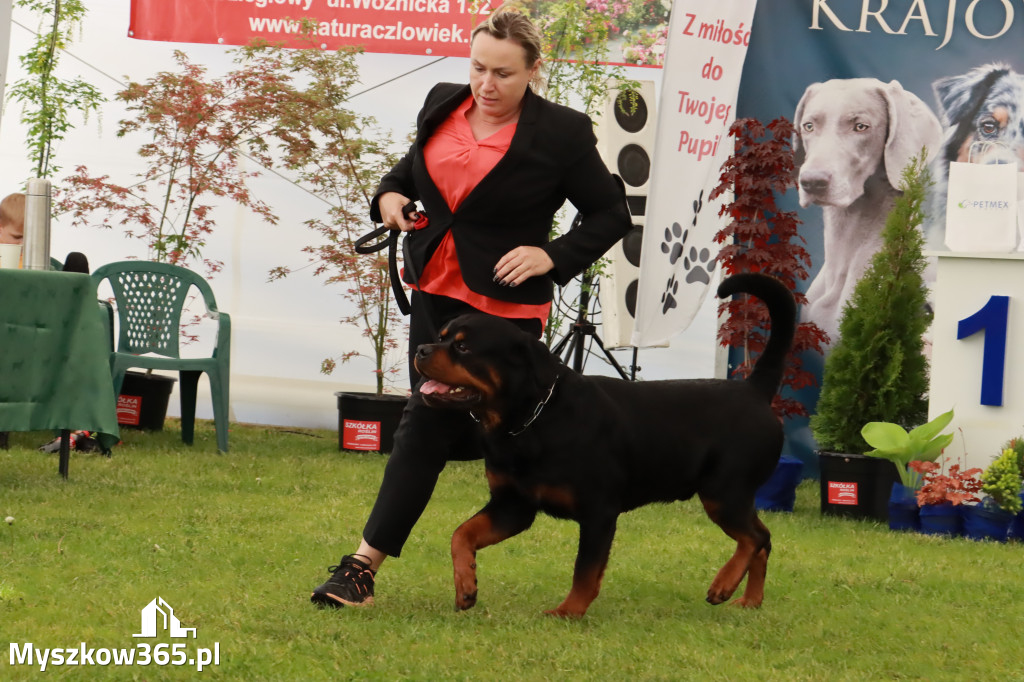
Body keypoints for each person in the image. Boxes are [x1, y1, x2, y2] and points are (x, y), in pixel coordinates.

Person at [310, 4, 632, 608]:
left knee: (452, 427)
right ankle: (365, 565)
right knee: (425, 421)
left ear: (534, 69)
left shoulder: (561, 134)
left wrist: (552, 257)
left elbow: (612, 214)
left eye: (504, 74)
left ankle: (372, 563)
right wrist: (389, 198)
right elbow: (407, 172)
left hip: (504, 315)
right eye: (479, 68)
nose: (486, 85)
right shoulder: (441, 100)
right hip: (435, 295)